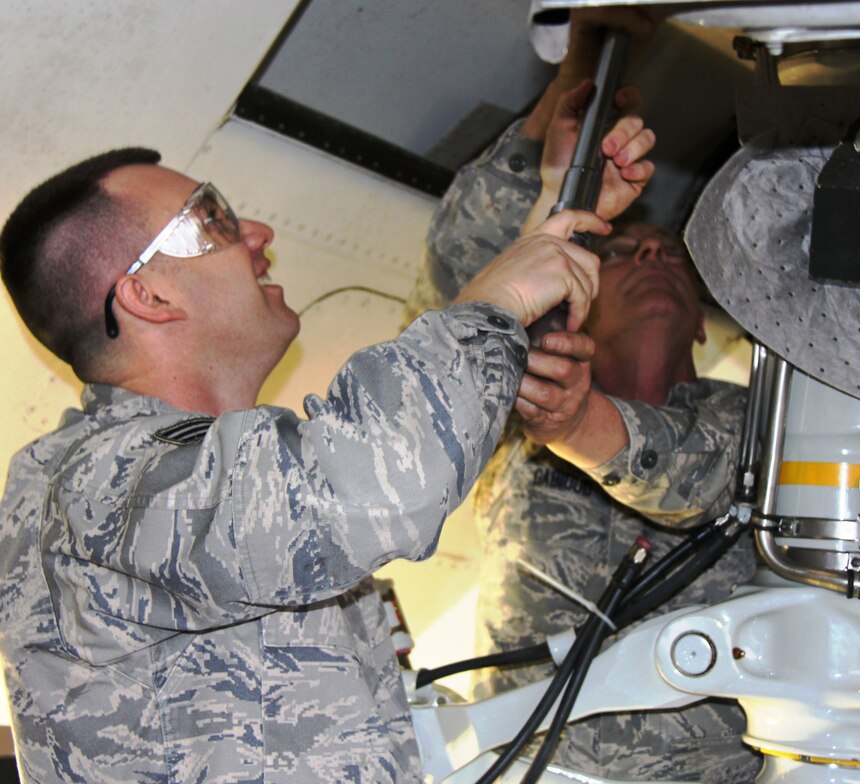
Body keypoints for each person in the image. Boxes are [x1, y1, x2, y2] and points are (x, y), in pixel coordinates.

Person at [0, 146, 611, 782]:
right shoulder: (88, 486)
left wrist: (546, 229)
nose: (257, 235)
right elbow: (381, 479)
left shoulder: (196, 480)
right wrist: (503, 297)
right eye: (212, 219)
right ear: (147, 295)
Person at [408, 11, 762, 783]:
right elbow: (463, 271)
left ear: (704, 322)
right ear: (579, 293)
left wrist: (578, 422)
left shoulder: (751, 427)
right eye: (627, 250)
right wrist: (580, 66)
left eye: (669, 254)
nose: (653, 253)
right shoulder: (512, 413)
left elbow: (701, 479)